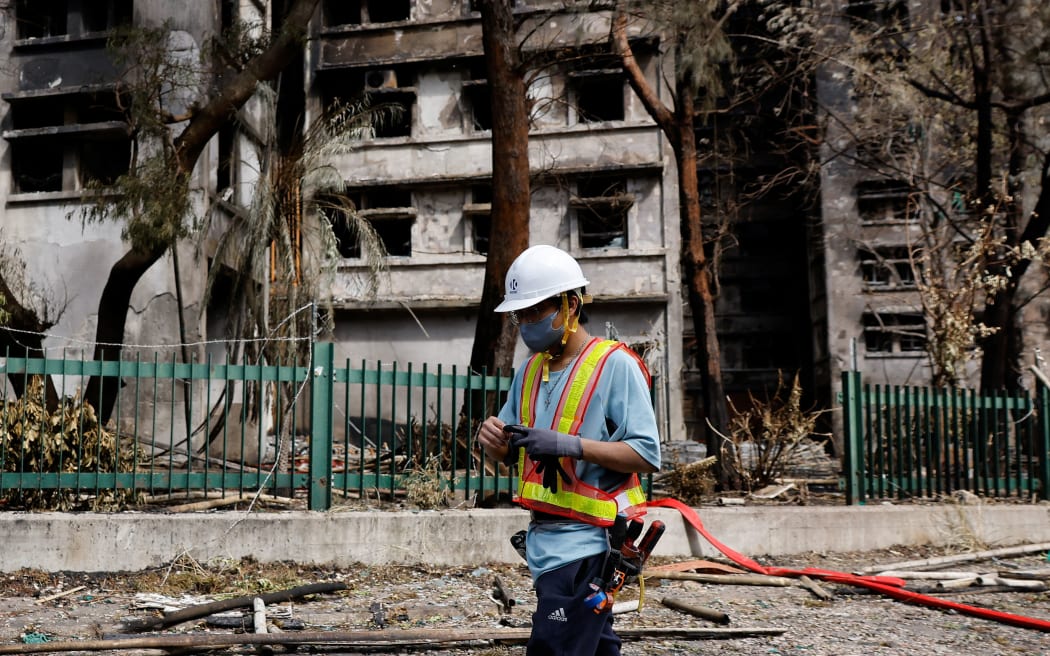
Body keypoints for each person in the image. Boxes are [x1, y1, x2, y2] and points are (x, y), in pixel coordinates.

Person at [476, 244, 661, 656]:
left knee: (554, 648)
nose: (524, 324)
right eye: (518, 315)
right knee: (594, 648)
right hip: (544, 543)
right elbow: (513, 451)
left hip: (589, 545)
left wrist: (569, 445)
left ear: (570, 305)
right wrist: (496, 445)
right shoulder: (528, 370)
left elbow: (647, 454)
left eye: (533, 313)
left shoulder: (615, 365)